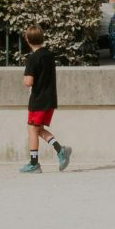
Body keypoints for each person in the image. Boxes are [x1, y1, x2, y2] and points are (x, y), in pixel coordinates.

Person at [17, 25, 71, 174]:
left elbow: (28, 81)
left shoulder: (33, 58)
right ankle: (61, 150)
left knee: (32, 129)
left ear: (27, 39)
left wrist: (24, 80)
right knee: (38, 129)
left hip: (38, 99)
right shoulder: (48, 55)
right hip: (50, 99)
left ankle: (34, 163)